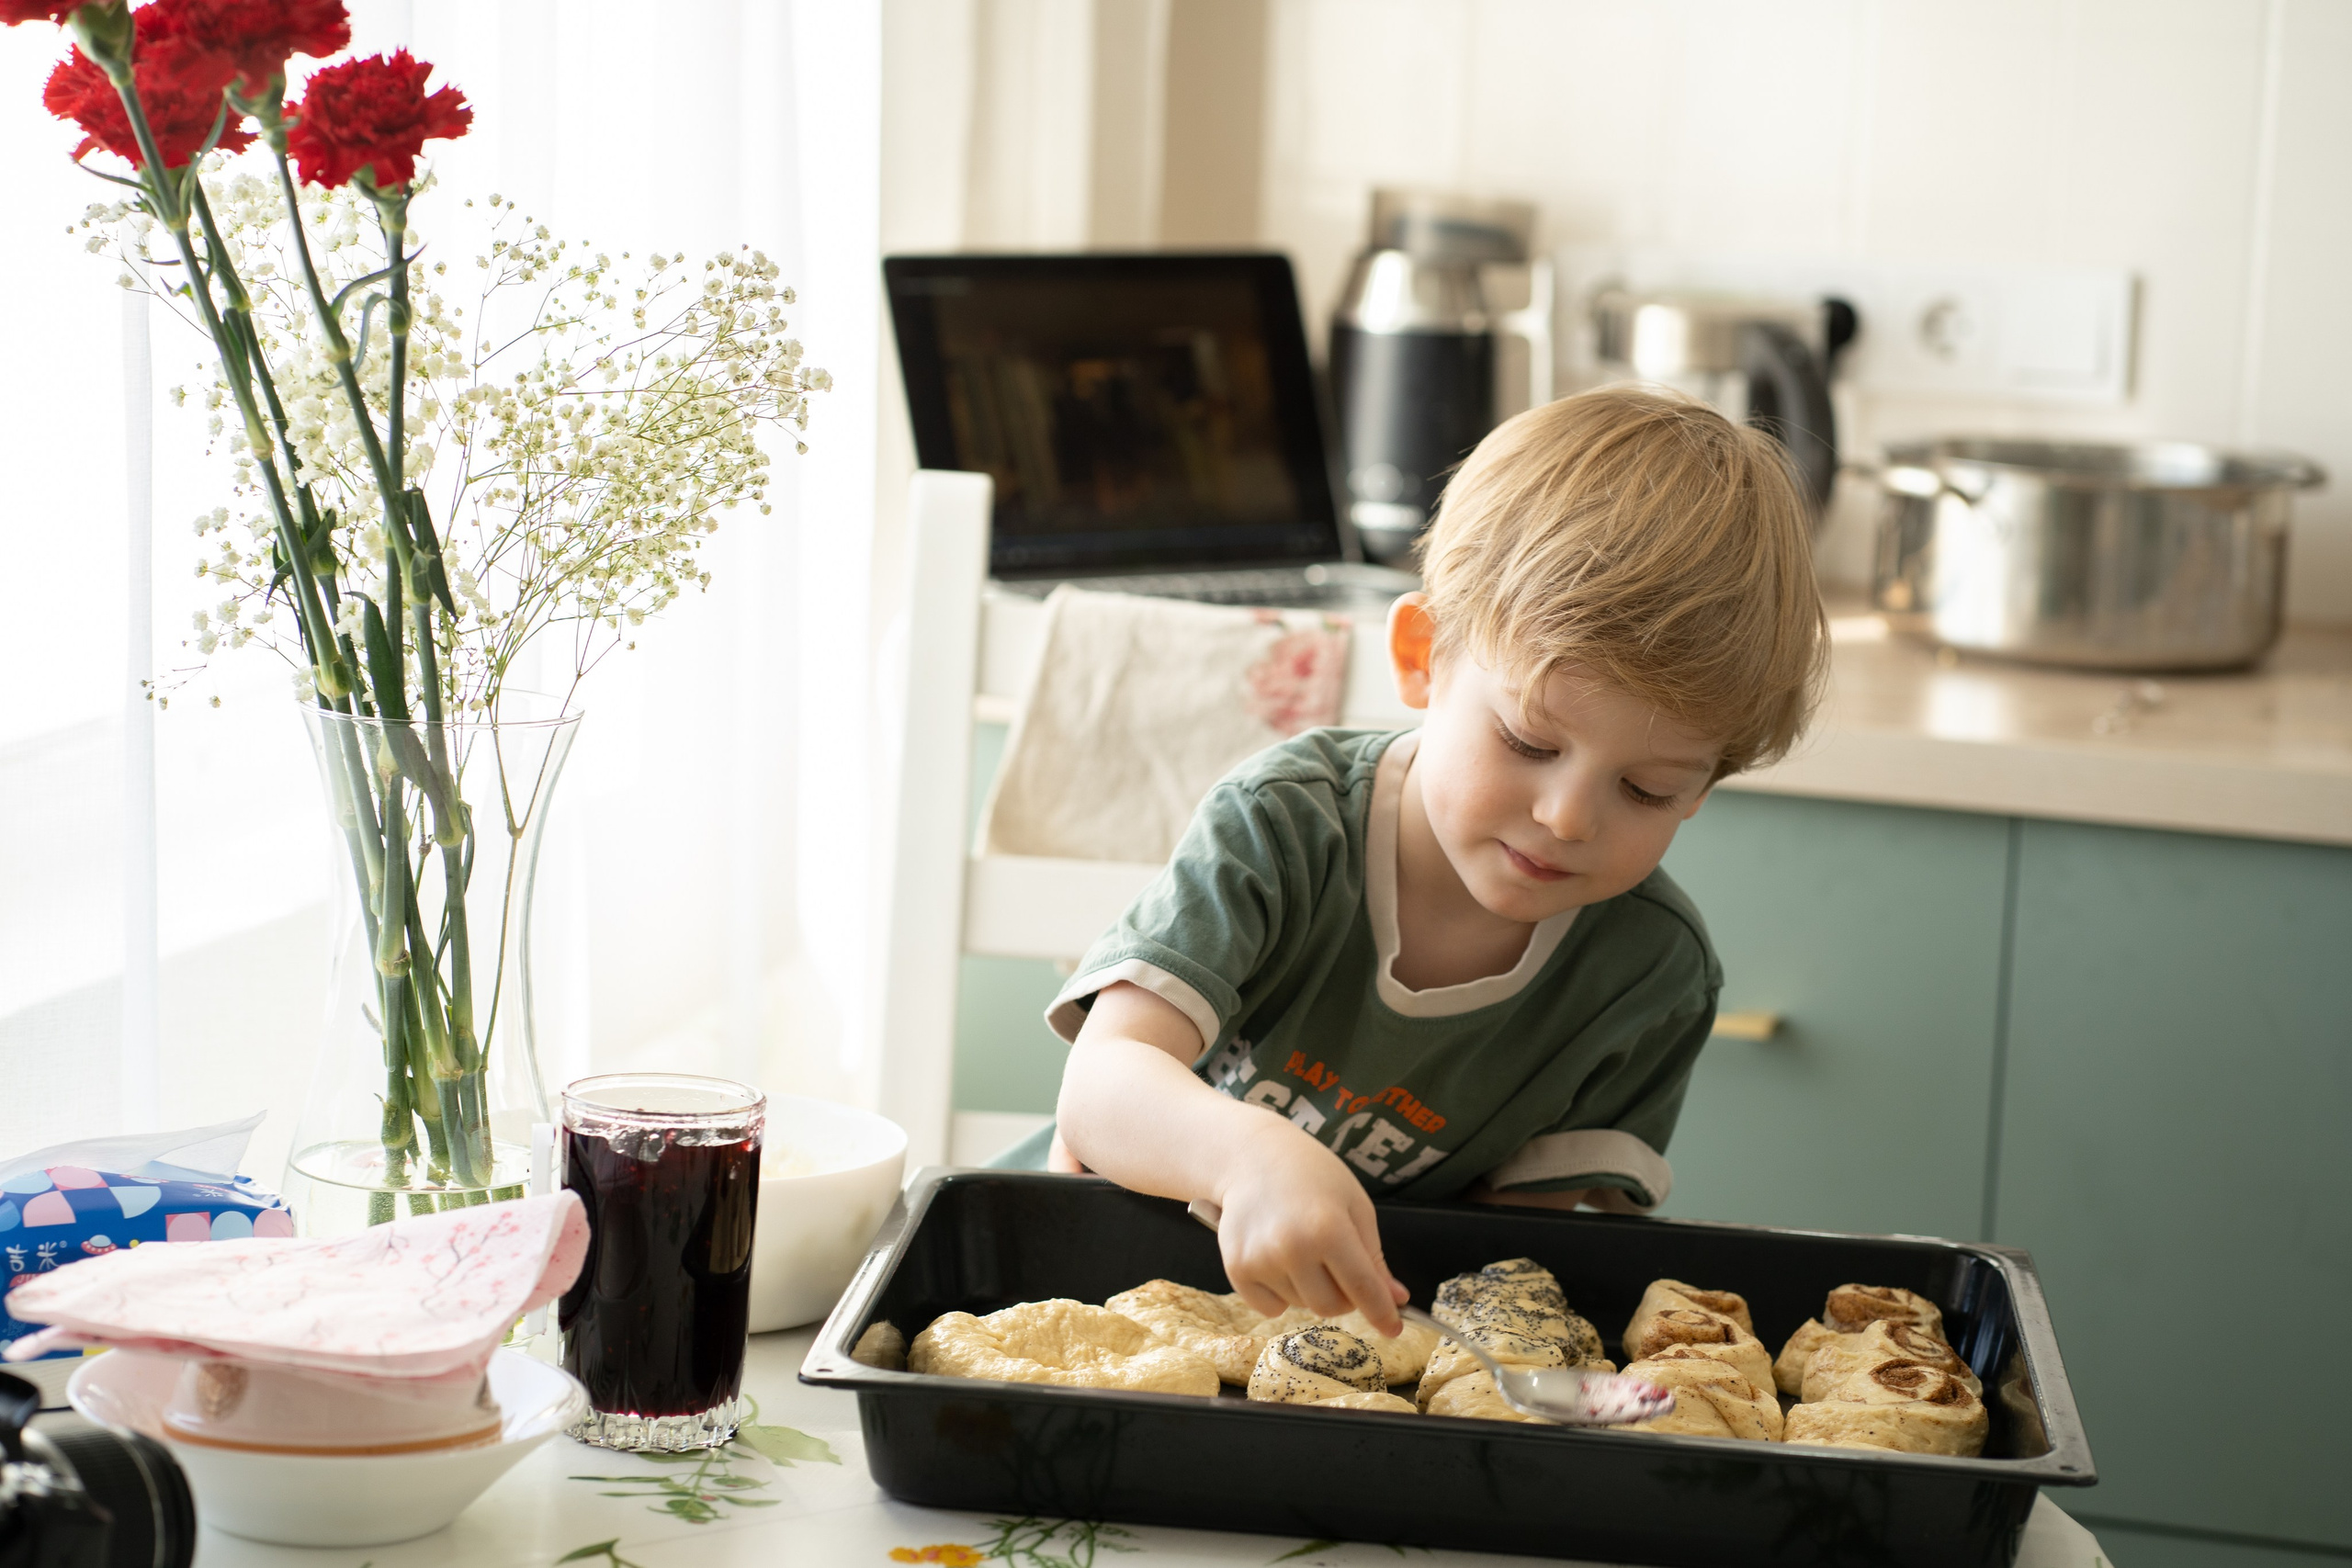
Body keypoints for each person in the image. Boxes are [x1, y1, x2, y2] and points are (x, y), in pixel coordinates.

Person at [1034, 385, 1826, 1337]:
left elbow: (1505, 1275)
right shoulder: (1288, 827)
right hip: (1104, 1284)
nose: (1565, 817)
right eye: (1529, 743)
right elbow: (1103, 1081)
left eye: (1647, 790)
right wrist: (1249, 1158)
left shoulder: (1647, 979)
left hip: (1364, 1339)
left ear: (1703, 788)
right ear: (1423, 655)